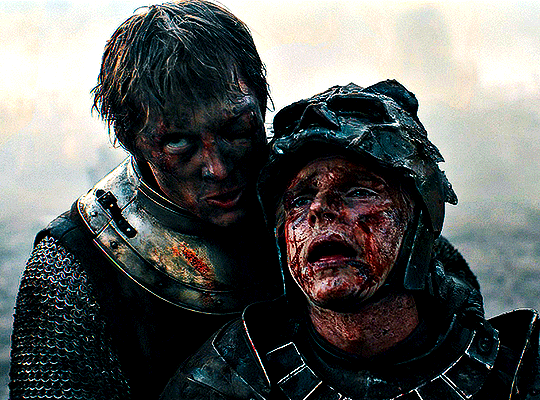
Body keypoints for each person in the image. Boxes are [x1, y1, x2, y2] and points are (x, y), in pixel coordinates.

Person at [160, 80, 540, 399]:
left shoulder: (520, 372)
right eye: (300, 199)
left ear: (417, 220)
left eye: (358, 191)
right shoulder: (226, 381)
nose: (319, 210)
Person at [9, 1, 284, 399]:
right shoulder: (77, 269)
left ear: (260, 104)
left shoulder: (313, 206)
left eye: (236, 130)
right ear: (131, 141)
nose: (218, 169)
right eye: (179, 142)